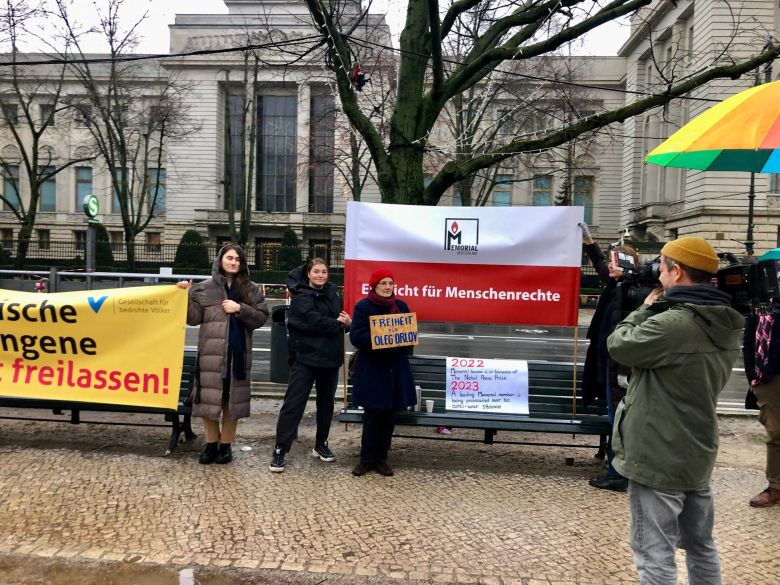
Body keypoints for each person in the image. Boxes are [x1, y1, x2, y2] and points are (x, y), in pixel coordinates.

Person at [607, 236, 743, 585]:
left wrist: (647, 307)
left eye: (662, 267)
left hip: (657, 453)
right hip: (696, 450)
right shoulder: (725, 319)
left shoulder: (674, 324)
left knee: (655, 553)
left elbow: (619, 345)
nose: (659, 273)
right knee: (701, 545)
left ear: (677, 271)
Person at [178, 244, 269, 465]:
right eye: (229, 257)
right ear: (220, 260)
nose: (233, 262)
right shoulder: (203, 288)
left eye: (237, 259)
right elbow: (193, 318)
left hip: (237, 357)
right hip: (212, 355)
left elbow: (261, 317)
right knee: (209, 401)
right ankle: (210, 445)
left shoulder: (251, 289)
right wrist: (184, 297)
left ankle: (226, 446)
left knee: (231, 402)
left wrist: (240, 309)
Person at [269, 258, 351, 473]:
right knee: (293, 405)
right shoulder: (299, 297)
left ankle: (321, 443)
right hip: (305, 358)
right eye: (316, 271)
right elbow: (310, 320)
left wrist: (346, 324)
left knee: (326, 405)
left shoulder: (333, 293)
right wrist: (335, 323)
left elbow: (340, 322)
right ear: (308, 274)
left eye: (324, 272)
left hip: (330, 358)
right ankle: (280, 449)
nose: (320, 275)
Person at [580, 222, 638, 492]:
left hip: (620, 367)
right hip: (607, 362)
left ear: (627, 266)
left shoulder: (629, 291)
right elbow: (602, 264)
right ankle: (616, 468)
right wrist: (589, 242)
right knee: (614, 416)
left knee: (619, 419)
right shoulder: (617, 284)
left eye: (616, 262)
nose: (609, 266)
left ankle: (618, 473)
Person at [349, 269, 417, 477]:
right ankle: (366, 459)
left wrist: (403, 340)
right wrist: (380, 340)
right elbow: (357, 336)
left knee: (389, 417)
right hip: (373, 369)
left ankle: (382, 458)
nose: (388, 287)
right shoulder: (363, 307)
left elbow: (408, 337)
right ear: (374, 286)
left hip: (395, 369)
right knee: (372, 416)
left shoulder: (402, 306)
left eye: (390, 283)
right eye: (383, 283)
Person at [743, 296, 780, 507]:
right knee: (776, 432)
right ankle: (776, 485)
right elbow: (749, 341)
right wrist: (752, 377)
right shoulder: (764, 303)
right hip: (770, 377)